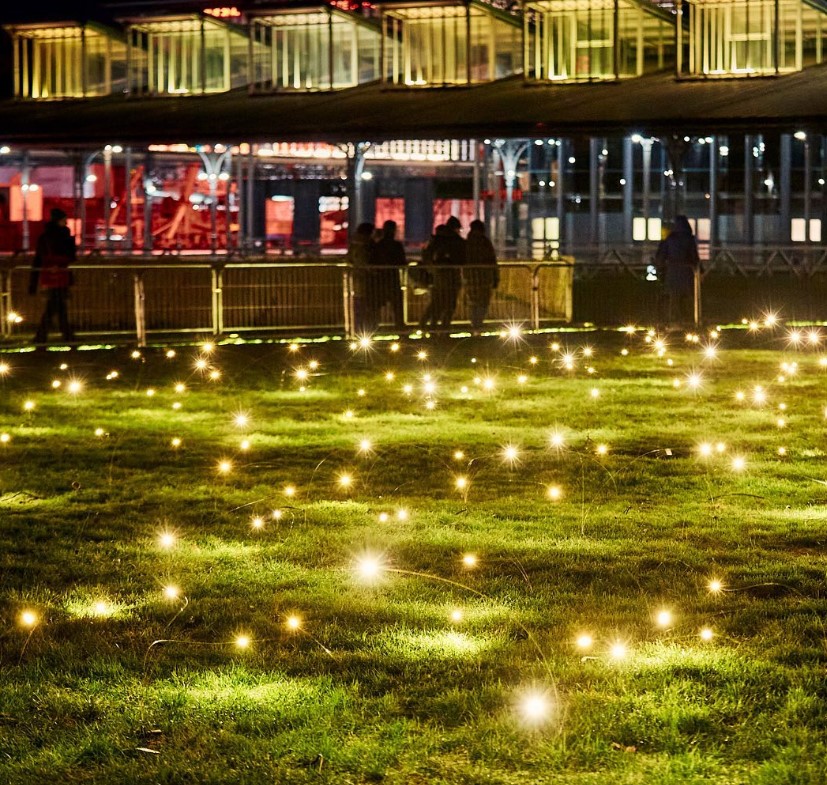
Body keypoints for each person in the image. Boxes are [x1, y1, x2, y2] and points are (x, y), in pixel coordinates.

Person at [29, 207, 76, 345]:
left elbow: (38, 258)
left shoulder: (44, 237)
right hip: (61, 275)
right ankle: (47, 337)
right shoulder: (65, 236)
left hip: (49, 276)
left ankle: (64, 336)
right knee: (55, 307)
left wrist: (33, 283)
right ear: (60, 221)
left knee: (57, 306)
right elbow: (71, 256)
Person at [419, 216, 465, 331]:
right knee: (449, 305)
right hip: (452, 276)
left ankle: (428, 326)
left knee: (437, 302)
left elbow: (426, 254)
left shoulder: (437, 239)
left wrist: (431, 268)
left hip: (438, 276)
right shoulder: (456, 241)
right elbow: (463, 257)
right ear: (456, 229)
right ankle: (444, 329)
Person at [655, 215, 700, 327]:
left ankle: (673, 319)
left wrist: (660, 268)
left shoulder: (670, 239)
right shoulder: (689, 238)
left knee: (673, 296)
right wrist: (698, 269)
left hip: (672, 271)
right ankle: (688, 319)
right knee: (688, 296)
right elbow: (694, 256)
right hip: (687, 271)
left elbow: (661, 255)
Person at [464, 219, 499, 333]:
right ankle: (478, 325)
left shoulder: (467, 242)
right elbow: (492, 260)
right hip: (484, 277)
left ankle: (474, 325)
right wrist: (495, 278)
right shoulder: (485, 242)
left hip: (470, 277)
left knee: (473, 303)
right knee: (483, 302)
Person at [371, 220, 406, 330]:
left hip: (379, 280)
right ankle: (400, 329)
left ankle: (372, 329)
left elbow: (373, 261)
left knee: (376, 306)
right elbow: (402, 262)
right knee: (397, 308)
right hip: (393, 279)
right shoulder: (397, 245)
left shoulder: (378, 245)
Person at [346, 222, 376, 332]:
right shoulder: (369, 244)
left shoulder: (353, 244)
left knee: (358, 306)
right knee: (367, 307)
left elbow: (349, 259)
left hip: (355, 279)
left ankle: (357, 330)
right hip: (367, 280)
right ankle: (366, 331)